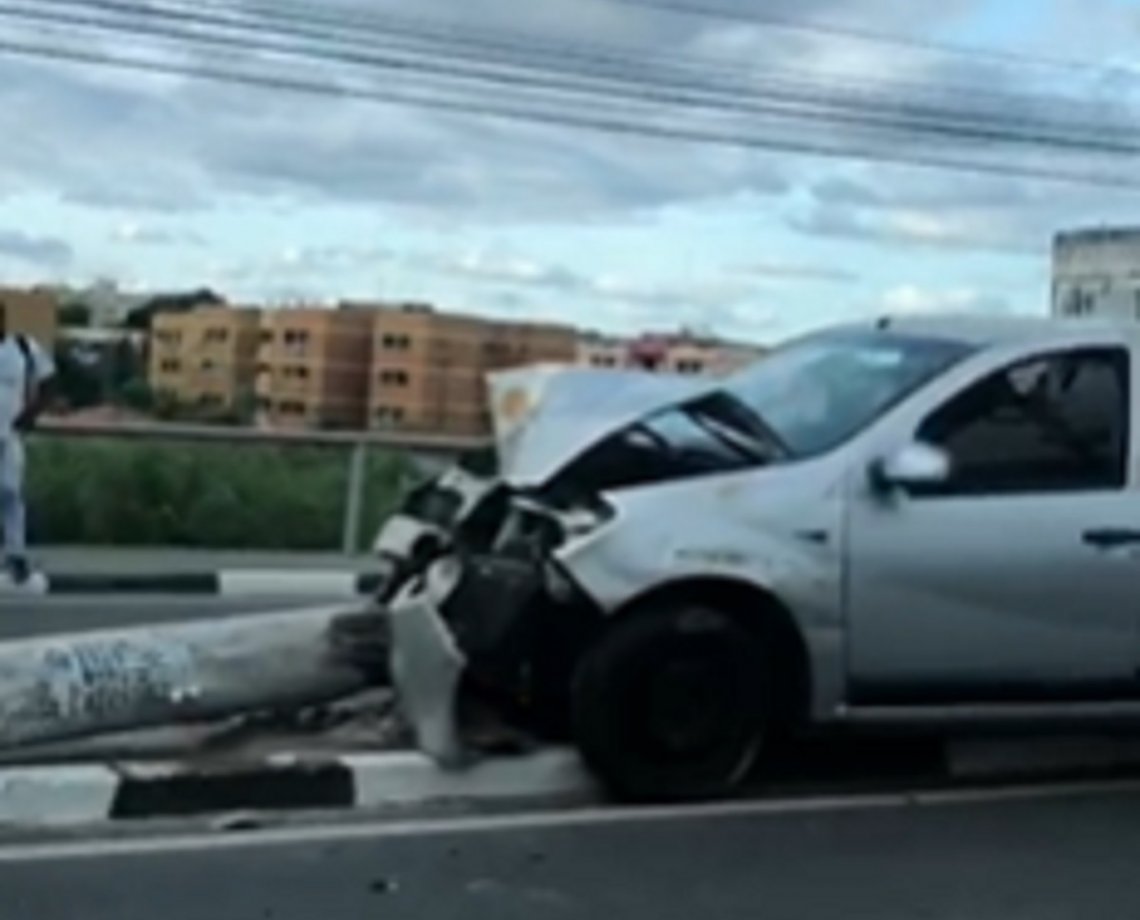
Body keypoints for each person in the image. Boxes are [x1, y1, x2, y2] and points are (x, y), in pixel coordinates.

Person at [0, 301, 54, 590]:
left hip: (10, 434)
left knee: (10, 491)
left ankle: (15, 554)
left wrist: (31, 414)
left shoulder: (22, 348)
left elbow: (48, 382)